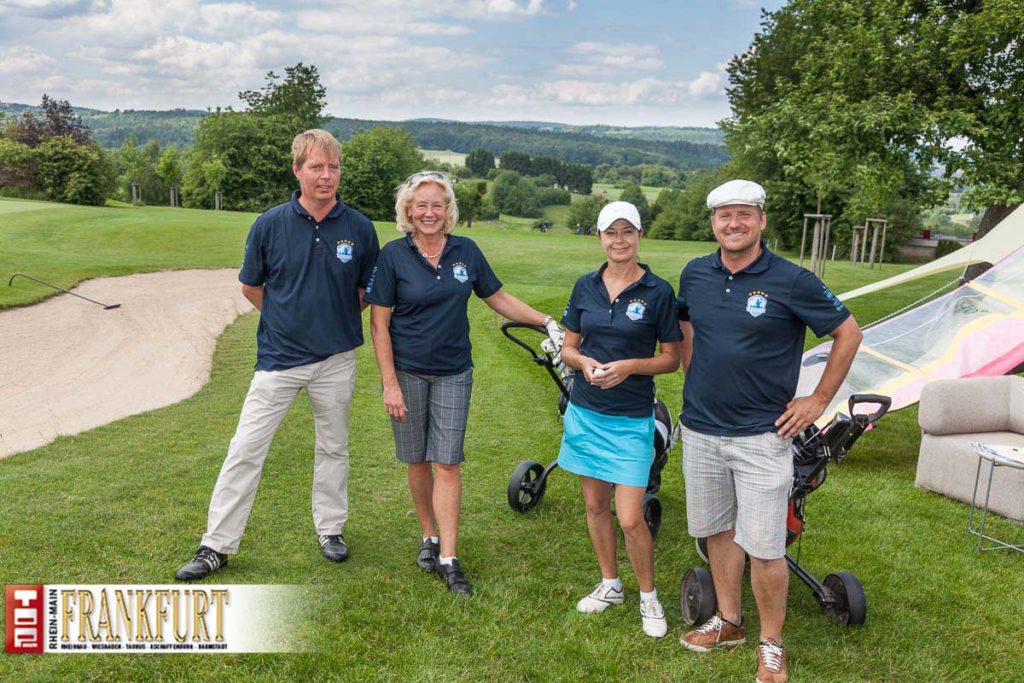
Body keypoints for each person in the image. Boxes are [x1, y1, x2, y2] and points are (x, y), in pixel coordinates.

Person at [676, 180, 862, 682]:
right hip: (699, 430)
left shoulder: (792, 280)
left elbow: (848, 331)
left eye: (743, 215)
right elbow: (687, 325)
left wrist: (818, 399)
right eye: (723, 216)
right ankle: (729, 620)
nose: (732, 224)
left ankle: (771, 644)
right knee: (716, 531)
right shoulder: (695, 273)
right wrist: (695, 375)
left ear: (761, 220)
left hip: (762, 435)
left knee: (765, 546)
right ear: (713, 223)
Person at [175, 129, 380, 580]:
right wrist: (286, 319)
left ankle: (331, 529)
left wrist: (330, 319)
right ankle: (216, 545)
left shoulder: (360, 228)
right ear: (297, 170)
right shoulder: (269, 223)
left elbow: (367, 291)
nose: (326, 176)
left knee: (334, 447)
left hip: (336, 359)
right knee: (245, 449)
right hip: (279, 360)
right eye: (316, 167)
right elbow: (252, 286)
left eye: (333, 167)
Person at [365, 171, 558, 596]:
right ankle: (429, 537)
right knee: (416, 459)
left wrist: (544, 320)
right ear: (408, 212)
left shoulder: (466, 251)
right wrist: (389, 384)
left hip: (454, 371)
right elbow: (379, 325)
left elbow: (497, 298)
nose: (429, 212)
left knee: (447, 461)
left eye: (437, 205)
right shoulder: (392, 256)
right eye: (421, 205)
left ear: (448, 210)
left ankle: (450, 558)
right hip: (408, 372)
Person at [557, 201, 682, 638]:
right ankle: (611, 584)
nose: (619, 240)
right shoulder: (585, 286)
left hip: (631, 417)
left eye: (627, 231)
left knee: (629, 517)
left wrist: (629, 365)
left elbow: (671, 360)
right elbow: (569, 347)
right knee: (595, 506)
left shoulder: (658, 292)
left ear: (640, 235)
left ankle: (648, 597)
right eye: (611, 233)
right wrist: (583, 362)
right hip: (586, 413)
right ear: (599, 238)